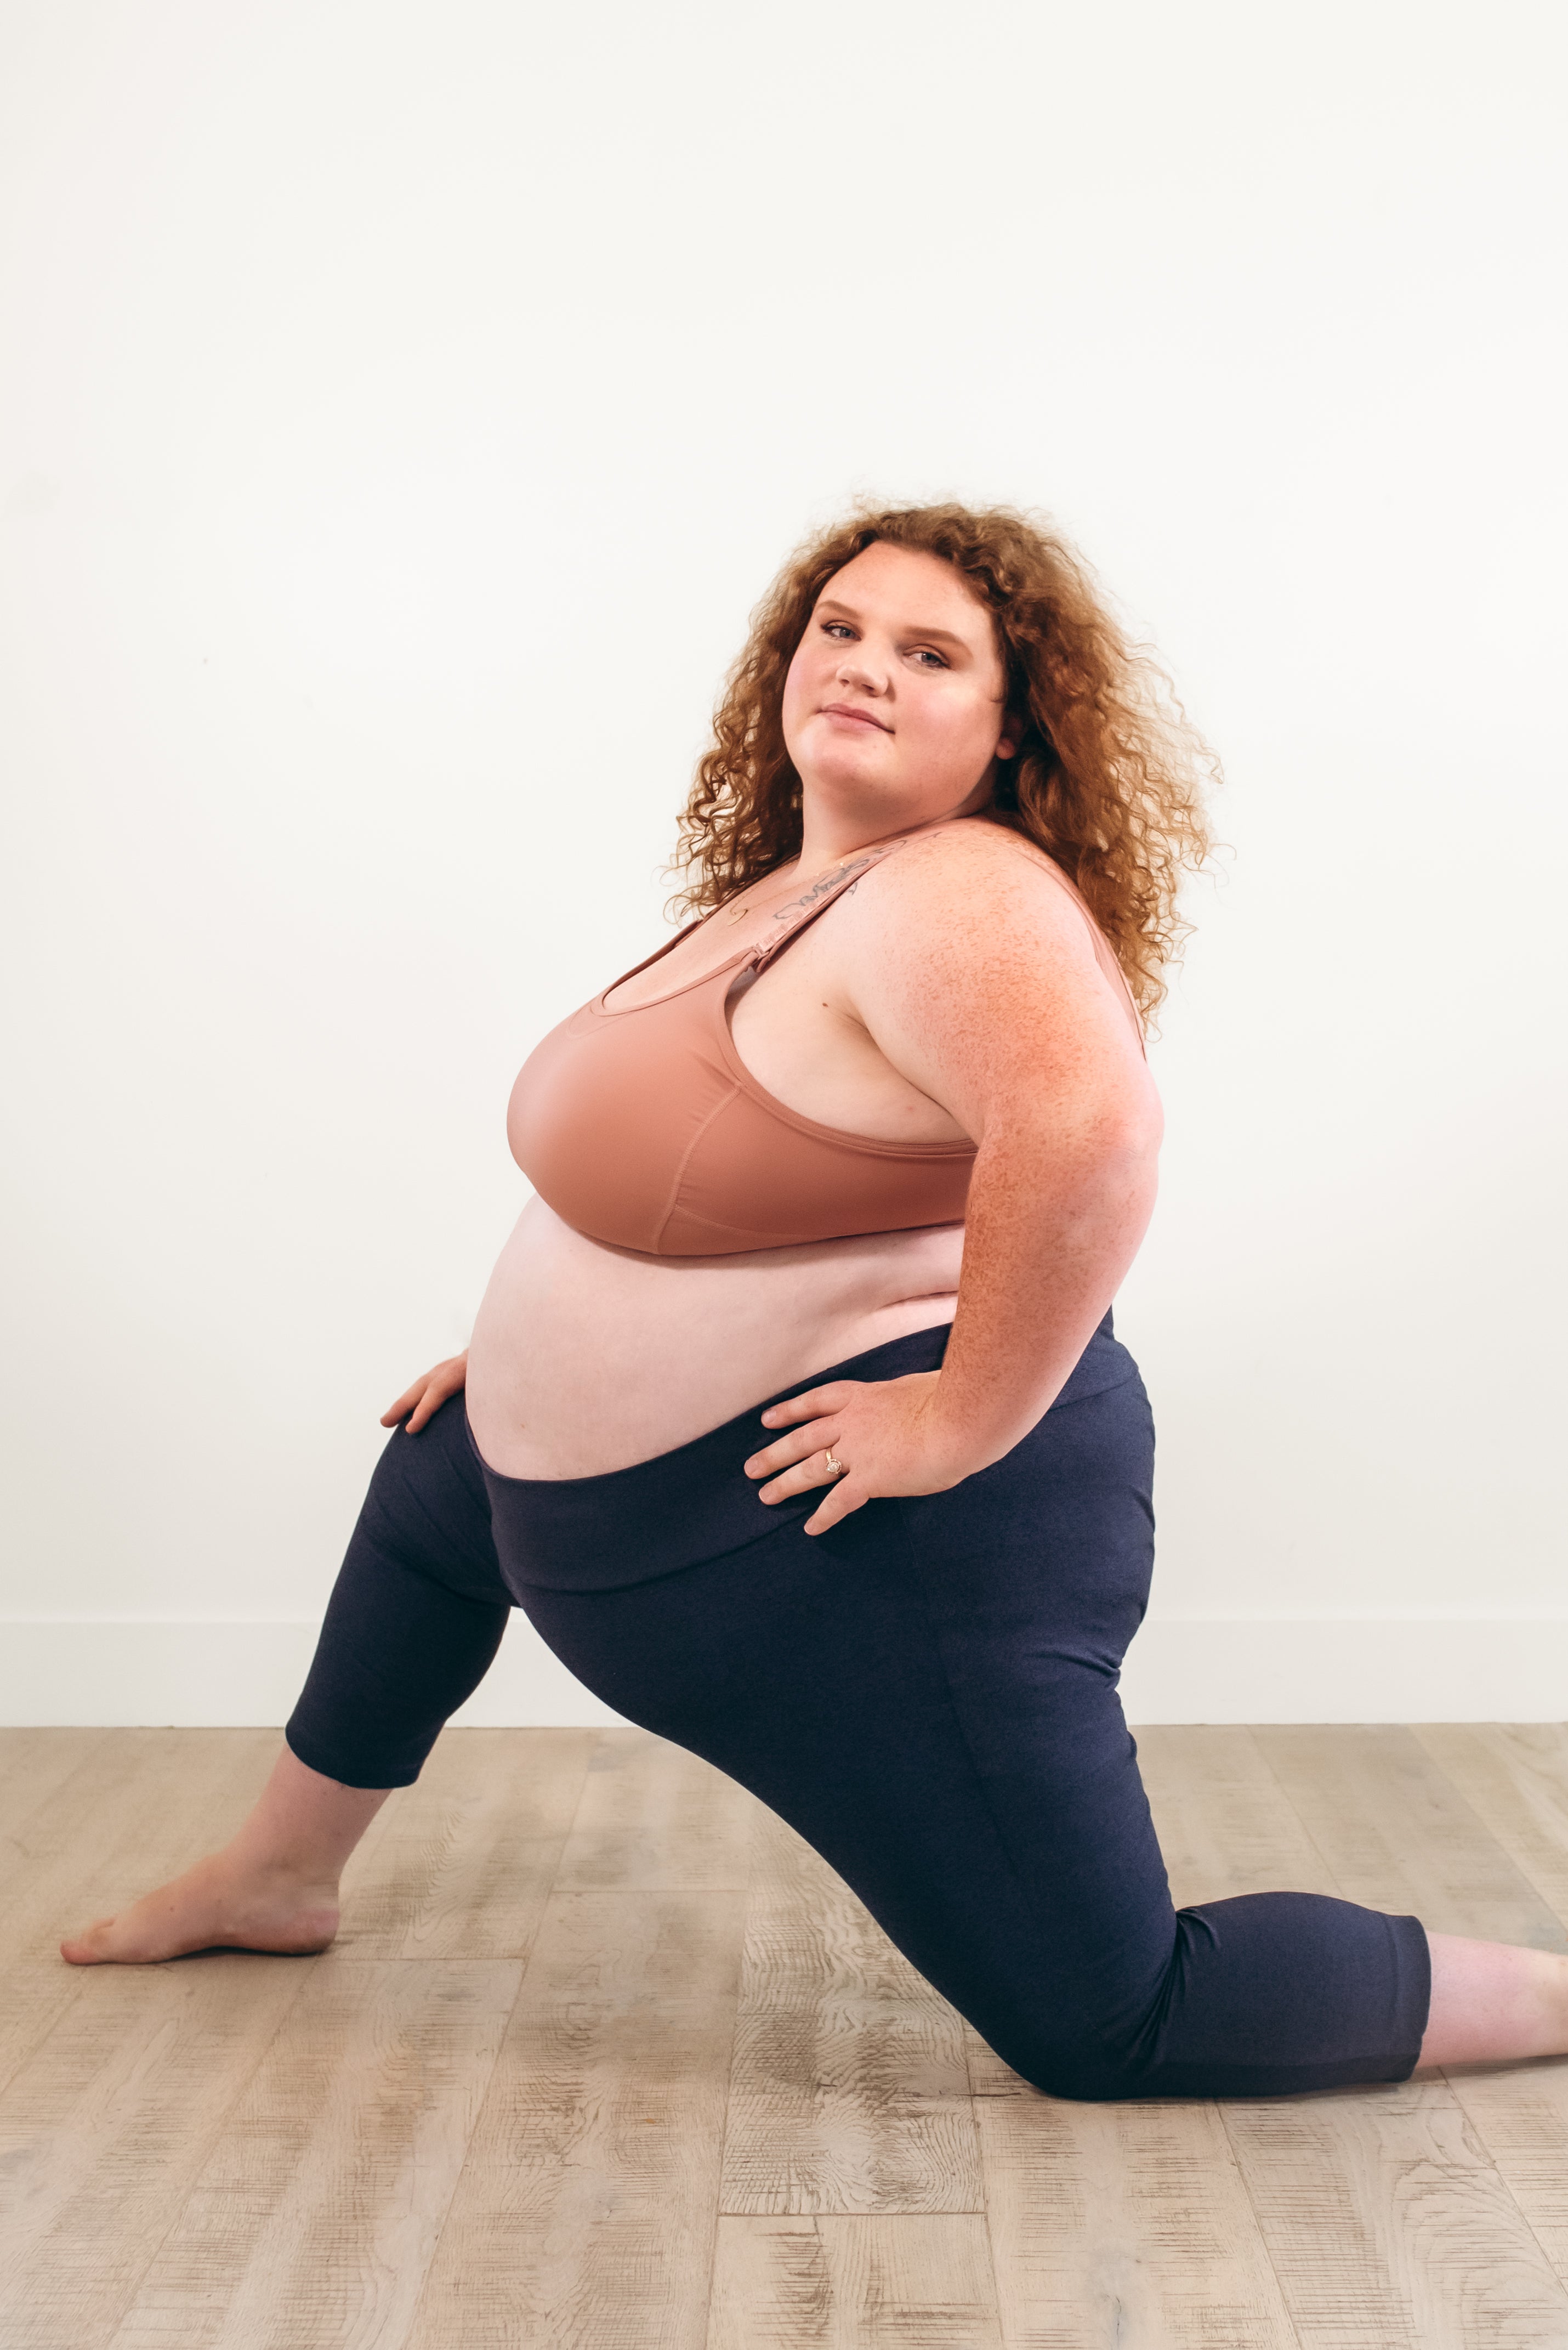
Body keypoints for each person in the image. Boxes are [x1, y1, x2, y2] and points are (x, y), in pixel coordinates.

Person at [63, 503, 1568, 2099]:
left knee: (1116, 2021)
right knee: (440, 1488)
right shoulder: (802, 892)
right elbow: (718, 1182)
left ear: (1011, 730)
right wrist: (519, 1358)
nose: (862, 666)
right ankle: (278, 1876)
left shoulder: (958, 890)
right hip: (684, 1495)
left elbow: (1094, 1138)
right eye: (839, 629)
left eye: (930, 654)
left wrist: (956, 1420)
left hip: (900, 1548)